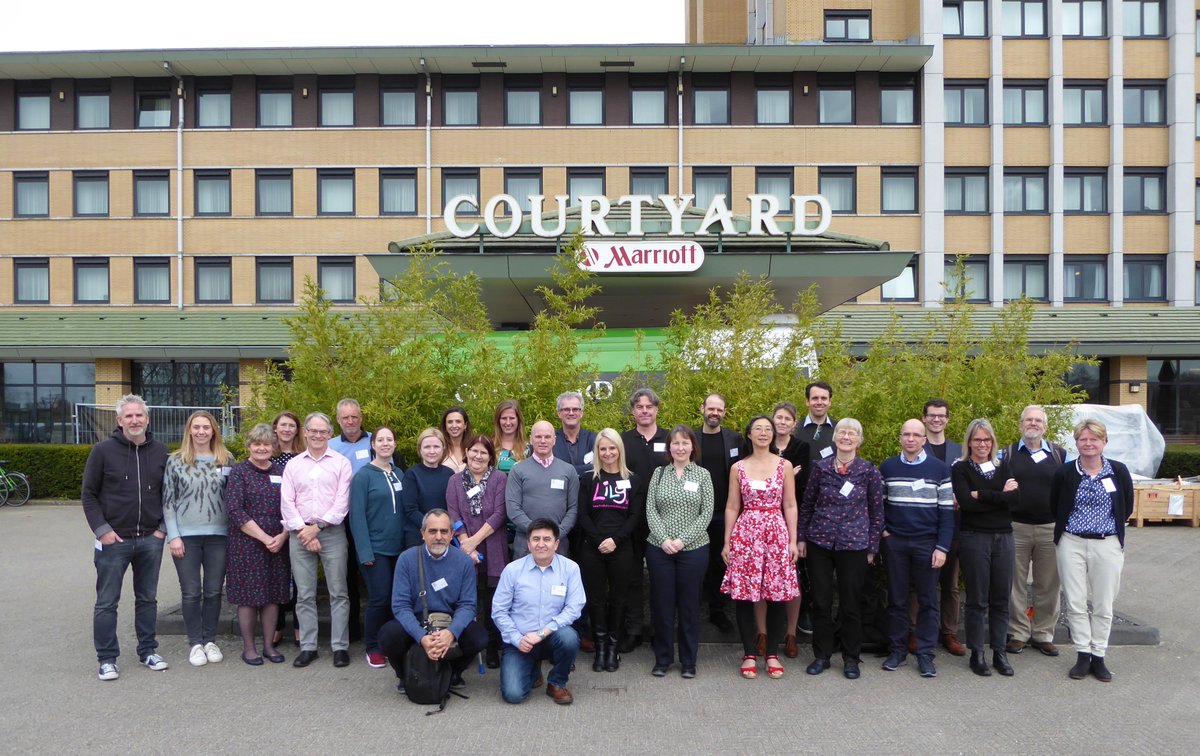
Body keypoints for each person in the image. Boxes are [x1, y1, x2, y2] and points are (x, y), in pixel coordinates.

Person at [82, 394, 170, 681]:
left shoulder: (160, 452)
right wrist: (102, 530)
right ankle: (107, 658)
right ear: (119, 421)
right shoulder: (102, 451)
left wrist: (162, 530)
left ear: (147, 418)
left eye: (139, 415)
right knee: (107, 602)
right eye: (128, 416)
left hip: (150, 540)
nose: (135, 420)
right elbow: (89, 495)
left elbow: (169, 495)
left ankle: (147, 651)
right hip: (114, 542)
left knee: (147, 599)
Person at [797, 418, 883, 680]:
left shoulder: (869, 471)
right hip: (820, 542)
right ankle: (821, 656)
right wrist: (801, 538)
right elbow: (808, 504)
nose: (846, 437)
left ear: (859, 439)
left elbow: (877, 512)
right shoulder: (821, 469)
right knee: (821, 602)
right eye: (842, 432)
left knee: (850, 604)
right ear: (834, 438)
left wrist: (872, 546)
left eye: (852, 433)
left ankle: (850, 658)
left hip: (854, 544)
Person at [1051, 418, 1134, 683]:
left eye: (1094, 439)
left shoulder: (1118, 471)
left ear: (1104, 442)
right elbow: (1056, 505)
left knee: (1103, 603)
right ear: (1076, 443)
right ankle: (1082, 654)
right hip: (1071, 542)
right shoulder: (1065, 472)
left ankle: (1099, 656)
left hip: (1107, 543)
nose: (1088, 444)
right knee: (1075, 602)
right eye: (1083, 439)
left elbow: (1127, 505)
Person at [721, 415, 800, 680]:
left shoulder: (784, 465)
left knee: (776, 594)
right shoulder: (738, 467)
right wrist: (727, 541)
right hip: (746, 535)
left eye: (768, 429)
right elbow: (732, 506)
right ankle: (749, 654)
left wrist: (792, 540)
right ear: (750, 435)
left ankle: (773, 654)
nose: (764, 433)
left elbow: (790, 504)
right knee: (745, 595)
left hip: (776, 533)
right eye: (758, 429)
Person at [377, 509, 488, 692]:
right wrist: (422, 637)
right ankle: (405, 676)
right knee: (387, 635)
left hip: (449, 620)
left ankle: (454, 672)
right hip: (418, 619)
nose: (438, 537)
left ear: (452, 534)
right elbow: (400, 606)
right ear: (422, 534)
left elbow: (468, 605)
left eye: (444, 531)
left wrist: (451, 633)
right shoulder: (406, 559)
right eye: (432, 531)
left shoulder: (464, 561)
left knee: (479, 637)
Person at [879, 419, 955, 679]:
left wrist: (942, 547)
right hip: (896, 543)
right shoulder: (888, 466)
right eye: (906, 434)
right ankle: (897, 650)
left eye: (916, 435)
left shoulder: (939, 468)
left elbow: (946, 512)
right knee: (897, 599)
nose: (911, 439)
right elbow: (879, 505)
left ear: (924, 439)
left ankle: (925, 654)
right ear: (900, 438)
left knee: (927, 601)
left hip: (927, 543)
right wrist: (884, 533)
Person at [280, 411, 354, 668]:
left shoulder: (341, 463)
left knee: (339, 593)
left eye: (323, 431)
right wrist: (304, 530)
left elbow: (342, 502)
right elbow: (286, 501)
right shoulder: (294, 465)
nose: (318, 435)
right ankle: (308, 646)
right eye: (313, 431)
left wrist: (318, 527)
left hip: (331, 533)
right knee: (304, 594)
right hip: (299, 533)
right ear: (305, 433)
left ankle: (340, 647)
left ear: (330, 434)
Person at [163, 409, 234, 668]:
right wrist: (174, 536)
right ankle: (195, 643)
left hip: (219, 537)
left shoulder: (226, 459)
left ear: (214, 430)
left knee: (214, 591)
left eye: (206, 427)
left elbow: (234, 499)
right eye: (197, 427)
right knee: (191, 592)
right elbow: (168, 502)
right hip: (186, 538)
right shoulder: (176, 461)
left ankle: (210, 640)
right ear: (189, 431)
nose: (201, 431)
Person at [492, 518, 586, 705]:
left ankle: (557, 682)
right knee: (513, 695)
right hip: (521, 639)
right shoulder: (513, 570)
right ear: (528, 543)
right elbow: (499, 611)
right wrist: (517, 639)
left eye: (546, 539)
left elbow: (574, 608)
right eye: (536, 539)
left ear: (556, 543)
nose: (541, 544)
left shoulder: (570, 569)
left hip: (552, 636)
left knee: (569, 637)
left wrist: (543, 632)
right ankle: (533, 669)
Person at [951, 418, 1018, 677]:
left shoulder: (1005, 466)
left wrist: (984, 494)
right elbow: (967, 504)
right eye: (977, 439)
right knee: (977, 599)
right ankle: (977, 653)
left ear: (993, 442)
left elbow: (1016, 501)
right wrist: (999, 495)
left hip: (1004, 537)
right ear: (969, 442)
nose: (982, 444)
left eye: (987, 440)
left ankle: (999, 653)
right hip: (974, 537)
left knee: (1001, 599)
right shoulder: (961, 469)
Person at [645, 425, 713, 678]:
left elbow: (706, 513)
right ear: (669, 447)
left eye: (685, 443)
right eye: (676, 443)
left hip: (693, 550)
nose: (680, 448)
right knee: (662, 606)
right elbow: (650, 509)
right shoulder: (659, 474)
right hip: (659, 549)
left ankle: (688, 661)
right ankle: (663, 659)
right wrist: (664, 540)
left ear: (692, 447)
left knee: (689, 606)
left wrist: (682, 541)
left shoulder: (703, 475)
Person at [575, 428, 643, 672]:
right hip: (592, 548)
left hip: (622, 548)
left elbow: (635, 516)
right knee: (595, 600)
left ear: (619, 450)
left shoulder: (632, 480)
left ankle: (613, 647)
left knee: (618, 599)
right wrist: (598, 540)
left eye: (612, 448)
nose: (607, 453)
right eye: (602, 449)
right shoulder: (588, 479)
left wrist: (615, 539)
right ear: (597, 451)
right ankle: (600, 645)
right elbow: (582, 514)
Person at [224, 423, 290, 665]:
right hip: (246, 543)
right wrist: (264, 537)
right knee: (249, 597)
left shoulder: (283, 471)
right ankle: (249, 648)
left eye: (266, 444)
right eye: (257, 444)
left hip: (278, 541)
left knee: (273, 595)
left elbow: (292, 505)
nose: (262, 448)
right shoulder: (239, 472)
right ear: (249, 446)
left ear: (273, 447)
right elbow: (234, 510)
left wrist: (283, 536)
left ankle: (269, 646)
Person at [1004, 405, 1066, 657]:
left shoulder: (1060, 455)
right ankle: (1018, 632)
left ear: (1045, 426)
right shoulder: (1006, 454)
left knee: (1049, 583)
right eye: (1028, 419)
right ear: (1020, 425)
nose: (1033, 423)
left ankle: (1043, 633)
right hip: (1015, 527)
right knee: (1014, 584)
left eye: (1038, 420)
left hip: (1049, 527)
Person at [445, 434, 510, 669]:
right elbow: (453, 513)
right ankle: (470, 647)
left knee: (494, 601)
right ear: (467, 452)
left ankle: (493, 647)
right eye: (474, 451)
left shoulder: (500, 479)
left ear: (490, 457)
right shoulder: (454, 481)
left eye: (483, 452)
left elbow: (500, 514)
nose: (478, 456)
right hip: (464, 548)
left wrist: (474, 541)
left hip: (493, 546)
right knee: (469, 600)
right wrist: (465, 543)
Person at [349, 426, 408, 669]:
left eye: (389, 439)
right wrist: (365, 552)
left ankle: (394, 643)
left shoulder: (400, 474)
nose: (385, 443)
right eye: (380, 439)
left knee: (398, 600)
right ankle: (373, 646)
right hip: (376, 549)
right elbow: (357, 517)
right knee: (380, 598)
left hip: (400, 549)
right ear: (372, 444)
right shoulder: (363, 475)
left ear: (395, 444)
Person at [620, 388, 671, 652]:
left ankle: (660, 631)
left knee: (661, 577)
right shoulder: (623, 440)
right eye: (639, 407)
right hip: (631, 519)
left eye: (649, 406)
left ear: (656, 410)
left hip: (664, 521)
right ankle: (634, 629)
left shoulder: (670, 439)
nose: (644, 411)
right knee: (632, 577)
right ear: (633, 411)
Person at [916, 398, 966, 657]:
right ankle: (915, 631)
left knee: (950, 583)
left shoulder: (960, 450)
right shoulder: (915, 447)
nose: (937, 419)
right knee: (918, 582)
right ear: (924, 418)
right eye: (932, 415)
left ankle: (949, 632)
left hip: (952, 524)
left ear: (948, 419)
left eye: (941, 415)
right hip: (921, 525)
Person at [693, 394, 741, 634]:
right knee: (696, 561)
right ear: (702, 408)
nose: (714, 413)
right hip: (694, 513)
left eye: (719, 409)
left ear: (724, 412)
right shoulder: (691, 438)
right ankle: (693, 610)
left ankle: (718, 610)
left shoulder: (735, 439)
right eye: (710, 408)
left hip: (725, 512)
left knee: (721, 562)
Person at [791, 381, 835, 638]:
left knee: (821, 564)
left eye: (824, 398)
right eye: (814, 398)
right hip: (799, 504)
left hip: (829, 508)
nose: (819, 402)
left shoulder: (839, 431)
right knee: (802, 560)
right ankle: (805, 609)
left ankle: (823, 613)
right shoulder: (796, 431)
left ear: (830, 401)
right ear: (807, 401)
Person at [505, 420, 579, 558]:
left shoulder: (568, 471)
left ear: (554, 440)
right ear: (531, 439)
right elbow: (513, 508)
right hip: (525, 543)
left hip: (558, 543)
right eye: (538, 437)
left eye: (547, 437)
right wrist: (536, 534)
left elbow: (573, 508)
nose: (543, 441)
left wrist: (556, 534)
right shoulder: (518, 470)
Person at [772, 401, 811, 657]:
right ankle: (767, 633)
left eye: (788, 418)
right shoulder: (762, 445)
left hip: (790, 517)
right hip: (763, 518)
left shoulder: (801, 448)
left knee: (792, 576)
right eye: (779, 418)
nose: (783, 422)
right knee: (768, 575)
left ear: (794, 423)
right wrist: (787, 474)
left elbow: (802, 486)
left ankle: (791, 633)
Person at [270, 410, 304, 647]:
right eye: (283, 425)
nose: (287, 429)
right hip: (271, 523)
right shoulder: (265, 455)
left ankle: (300, 627)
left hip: (298, 524)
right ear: (275, 428)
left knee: (300, 578)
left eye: (292, 425)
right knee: (278, 576)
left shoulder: (303, 457)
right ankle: (278, 625)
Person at [401, 428, 455, 550]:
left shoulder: (449, 474)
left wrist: (443, 530)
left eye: (436, 446)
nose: (432, 451)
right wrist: (433, 528)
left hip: (444, 537)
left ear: (443, 448)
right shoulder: (412, 474)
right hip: (418, 537)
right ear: (420, 449)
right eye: (427, 447)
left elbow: (454, 506)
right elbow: (411, 510)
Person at [553, 390, 598, 476]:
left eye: (575, 409)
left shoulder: (595, 439)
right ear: (559, 413)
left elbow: (599, 467)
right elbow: (550, 469)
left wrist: (563, 469)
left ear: (581, 413)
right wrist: (586, 468)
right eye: (566, 409)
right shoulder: (550, 439)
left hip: (587, 488)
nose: (571, 413)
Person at [491, 399, 528, 473]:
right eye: (504, 418)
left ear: (518, 420)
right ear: (498, 421)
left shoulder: (528, 448)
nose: (508, 423)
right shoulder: (489, 446)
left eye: (511, 418)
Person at [440, 406, 471, 473]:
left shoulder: (473, 447)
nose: (454, 425)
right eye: (450, 422)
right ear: (445, 426)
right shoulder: (439, 448)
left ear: (465, 425)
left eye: (458, 421)